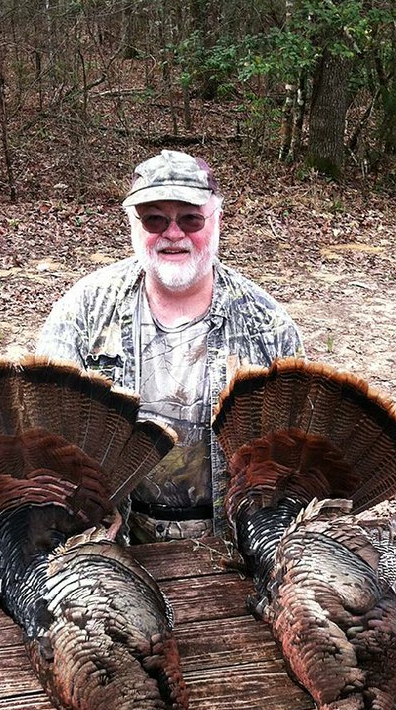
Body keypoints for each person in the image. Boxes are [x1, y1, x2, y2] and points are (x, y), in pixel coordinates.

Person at [36, 149, 305, 542]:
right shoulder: (85, 310)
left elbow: (292, 461)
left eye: (191, 218)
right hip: (111, 539)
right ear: (134, 225)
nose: (173, 233)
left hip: (236, 540)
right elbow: (46, 432)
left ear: (217, 221)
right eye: (155, 219)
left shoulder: (267, 325)